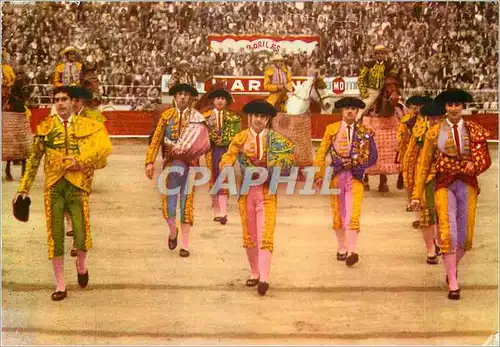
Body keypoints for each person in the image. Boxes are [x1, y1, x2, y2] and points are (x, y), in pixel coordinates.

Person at [14, 86, 112, 301]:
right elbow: (33, 161)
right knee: (55, 235)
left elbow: (102, 152)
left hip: (77, 186)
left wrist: (81, 162)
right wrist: (23, 188)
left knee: (81, 234)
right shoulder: (46, 127)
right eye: (56, 100)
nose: (60, 103)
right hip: (54, 187)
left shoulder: (88, 126)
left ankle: (82, 265)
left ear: (72, 102)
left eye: (64, 99)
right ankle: (60, 284)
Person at [410, 89, 491, 300]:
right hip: (444, 184)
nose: (453, 109)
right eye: (449, 105)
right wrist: (416, 194)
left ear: (463, 107)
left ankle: (450, 269)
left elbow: (485, 159)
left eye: (457, 105)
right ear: (445, 108)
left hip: (467, 184)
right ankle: (453, 283)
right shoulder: (435, 132)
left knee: (466, 237)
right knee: (448, 233)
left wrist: (475, 165)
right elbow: (423, 165)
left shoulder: (474, 130)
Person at [219, 100, 295, 296]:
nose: (259, 119)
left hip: (267, 191)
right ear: (250, 117)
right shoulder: (241, 137)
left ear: (267, 119)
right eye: (255, 116)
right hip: (246, 192)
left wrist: (275, 169)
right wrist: (226, 166)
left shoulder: (276, 139)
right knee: (250, 236)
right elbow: (229, 155)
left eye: (262, 116)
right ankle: (254, 272)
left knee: (265, 235)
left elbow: (289, 161)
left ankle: (264, 278)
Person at [313, 97, 378, 267]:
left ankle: (352, 251)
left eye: (353, 109)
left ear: (357, 112)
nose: (350, 111)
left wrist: (357, 163)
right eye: (347, 108)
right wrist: (319, 175)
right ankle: (342, 247)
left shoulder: (365, 131)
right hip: (337, 177)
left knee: (353, 214)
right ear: (341, 111)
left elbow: (373, 157)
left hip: (355, 178)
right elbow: (321, 154)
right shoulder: (332, 129)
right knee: (339, 214)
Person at [145, 83, 204, 258]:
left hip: (191, 166)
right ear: (175, 97)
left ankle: (185, 245)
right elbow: (156, 140)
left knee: (186, 204)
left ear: (192, 98)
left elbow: (204, 143)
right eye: (180, 94)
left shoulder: (197, 117)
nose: (183, 97)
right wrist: (149, 162)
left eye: (186, 94)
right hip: (170, 166)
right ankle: (173, 232)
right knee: (169, 205)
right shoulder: (166, 116)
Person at [403, 101, 444, 264]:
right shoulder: (420, 132)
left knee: (443, 213)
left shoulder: (448, 132)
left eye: (437, 119)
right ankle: (431, 250)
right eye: (431, 118)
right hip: (426, 176)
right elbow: (411, 157)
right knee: (427, 213)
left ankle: (440, 243)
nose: (433, 122)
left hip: (445, 176)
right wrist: (410, 181)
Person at [203, 88, 241, 224]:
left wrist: (224, 141)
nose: (220, 101)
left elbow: (236, 136)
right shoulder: (205, 118)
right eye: (217, 98)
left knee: (223, 179)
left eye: (223, 99)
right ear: (213, 101)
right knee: (213, 178)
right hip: (211, 151)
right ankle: (216, 211)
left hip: (226, 151)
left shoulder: (233, 118)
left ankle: (223, 212)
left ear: (226, 102)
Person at [398, 95, 432, 216]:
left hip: (423, 151)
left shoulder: (428, 120)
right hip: (411, 150)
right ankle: (412, 201)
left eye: (417, 107)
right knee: (408, 175)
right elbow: (401, 137)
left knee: (420, 175)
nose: (415, 110)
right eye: (412, 107)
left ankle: (421, 203)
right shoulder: (409, 120)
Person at [357, 45, 398, 118]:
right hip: (371, 92)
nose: (380, 55)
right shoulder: (369, 65)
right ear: (375, 55)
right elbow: (360, 79)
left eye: (382, 53)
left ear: (385, 55)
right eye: (378, 53)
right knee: (362, 109)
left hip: (385, 91)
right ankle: (355, 124)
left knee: (400, 104)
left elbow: (393, 78)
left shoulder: (388, 66)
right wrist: (364, 92)